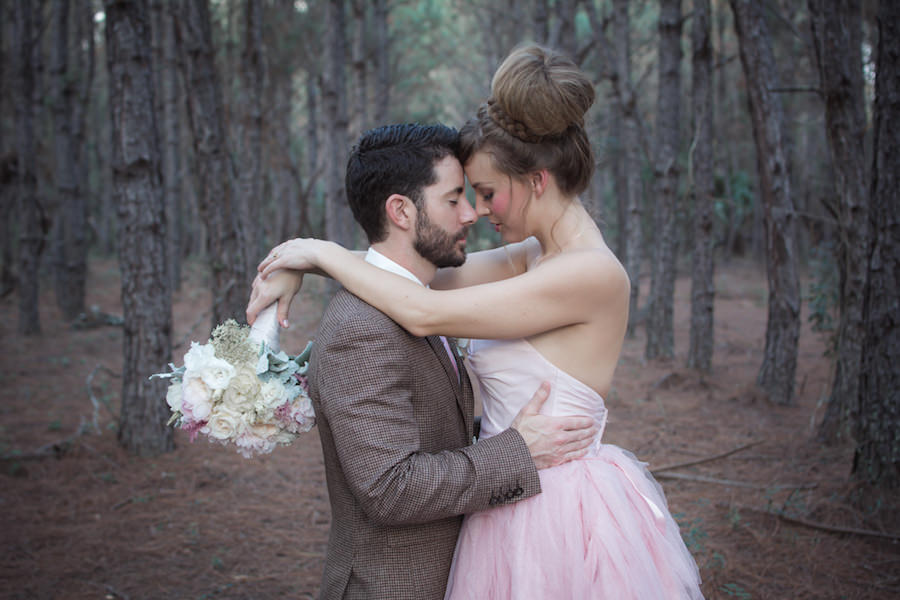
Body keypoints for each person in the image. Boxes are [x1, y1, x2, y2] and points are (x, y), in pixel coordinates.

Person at [252, 45, 702, 599]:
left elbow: (423, 311)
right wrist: (297, 268)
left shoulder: (591, 274)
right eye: (467, 195)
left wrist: (315, 251)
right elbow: (410, 277)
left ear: (537, 180)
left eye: (487, 193)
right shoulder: (532, 256)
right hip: (501, 500)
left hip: (555, 514)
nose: (479, 211)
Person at [251, 122, 598, 600]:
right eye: (454, 199)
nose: (471, 213)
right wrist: (517, 451)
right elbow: (390, 488)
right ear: (401, 211)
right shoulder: (363, 328)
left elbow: (424, 424)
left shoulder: (411, 298)